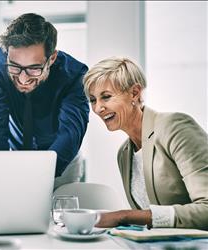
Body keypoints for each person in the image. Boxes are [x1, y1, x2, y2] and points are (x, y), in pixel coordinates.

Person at [83, 56, 208, 230]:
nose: (97, 108)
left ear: (134, 93)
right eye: (93, 100)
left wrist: (123, 216)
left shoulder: (175, 127)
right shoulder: (124, 154)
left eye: (106, 97)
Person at [0, 13, 90, 188]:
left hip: (61, 161)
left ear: (51, 58)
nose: (23, 79)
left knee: (57, 212)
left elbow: (70, 134)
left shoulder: (76, 75)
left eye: (34, 68)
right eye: (15, 67)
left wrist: (37, 177)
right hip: (12, 156)